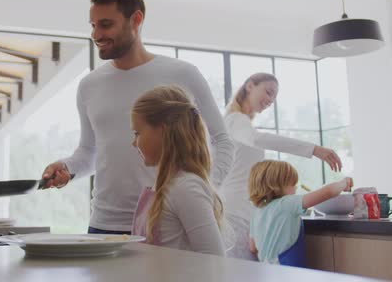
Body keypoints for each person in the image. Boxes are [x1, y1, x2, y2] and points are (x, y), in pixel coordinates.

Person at [40, 0, 234, 234]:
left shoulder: (183, 74)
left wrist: (202, 189)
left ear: (136, 19)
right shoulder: (89, 86)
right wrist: (68, 167)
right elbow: (90, 153)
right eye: (93, 25)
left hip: (164, 223)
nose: (96, 35)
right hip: (103, 226)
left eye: (106, 24)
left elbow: (223, 141)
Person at [221, 72, 342, 259]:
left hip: (242, 211)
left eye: (274, 97)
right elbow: (256, 139)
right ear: (250, 86)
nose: (270, 100)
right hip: (236, 212)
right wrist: (314, 149)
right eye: (268, 92)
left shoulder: (238, 123)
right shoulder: (236, 120)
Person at [130, 85, 226, 255]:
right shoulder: (163, 187)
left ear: (162, 130)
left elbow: (214, 260)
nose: (133, 142)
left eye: (137, 133)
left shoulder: (186, 188)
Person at [248, 160, 353, 266]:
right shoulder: (287, 203)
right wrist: (344, 183)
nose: (296, 187)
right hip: (286, 271)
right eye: (292, 184)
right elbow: (328, 192)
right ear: (277, 186)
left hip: (265, 270)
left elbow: (252, 248)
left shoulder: (257, 212)